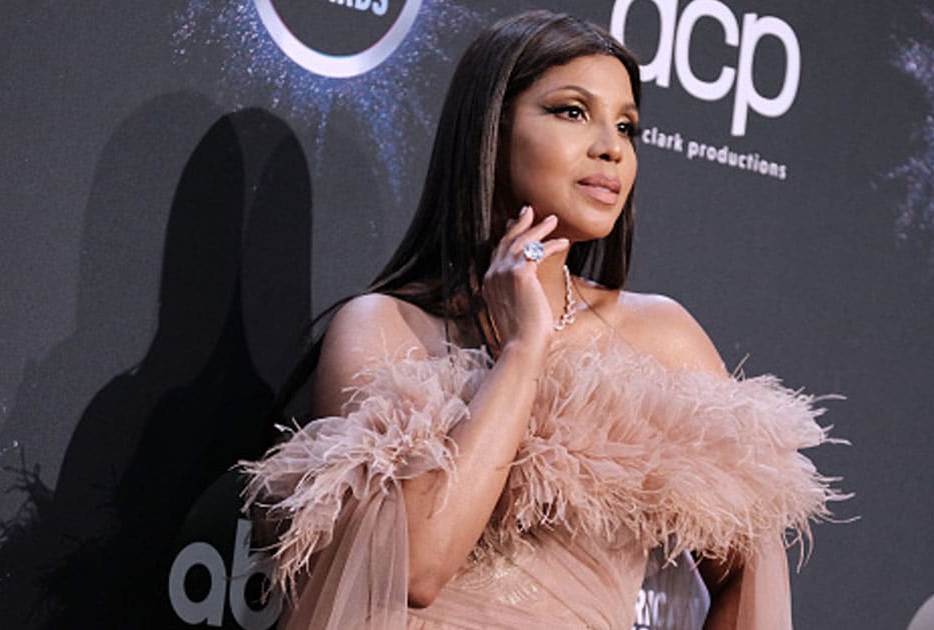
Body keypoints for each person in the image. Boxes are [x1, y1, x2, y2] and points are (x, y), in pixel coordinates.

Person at [241, 10, 843, 629]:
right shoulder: (383, 327)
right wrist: (524, 351)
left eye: (627, 126)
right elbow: (417, 566)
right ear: (491, 130)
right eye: (572, 111)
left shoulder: (661, 338)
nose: (611, 147)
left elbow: (751, 571)